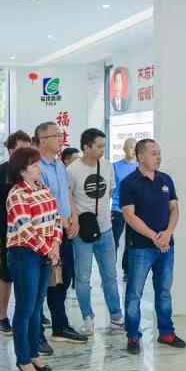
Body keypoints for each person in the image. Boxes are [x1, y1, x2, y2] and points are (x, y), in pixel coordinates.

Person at [119, 139, 186, 354]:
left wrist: (167, 234)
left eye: (159, 153)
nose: (158, 157)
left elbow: (174, 209)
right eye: (153, 153)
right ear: (140, 157)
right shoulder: (129, 183)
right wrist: (153, 236)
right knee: (134, 294)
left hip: (166, 247)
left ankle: (166, 333)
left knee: (164, 292)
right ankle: (133, 336)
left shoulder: (166, 180)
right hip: (140, 247)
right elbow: (129, 215)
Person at [5, 147, 62, 371]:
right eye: (35, 165)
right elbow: (25, 228)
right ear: (22, 171)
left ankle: (33, 353)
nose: (39, 168)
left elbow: (56, 219)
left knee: (37, 306)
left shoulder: (42, 188)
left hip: (45, 252)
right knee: (25, 307)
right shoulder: (17, 194)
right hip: (24, 253)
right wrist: (48, 250)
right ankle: (23, 359)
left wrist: (56, 244)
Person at [34, 122, 87, 346]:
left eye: (60, 134)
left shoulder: (59, 166)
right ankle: (36, 332)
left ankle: (60, 326)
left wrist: (74, 217)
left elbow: (67, 195)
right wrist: (63, 222)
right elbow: (41, 202)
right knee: (40, 285)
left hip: (63, 233)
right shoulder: (35, 167)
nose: (60, 138)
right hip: (44, 234)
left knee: (62, 280)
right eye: (56, 135)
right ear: (43, 140)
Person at [67, 128, 124, 336]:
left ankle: (116, 317)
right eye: (98, 146)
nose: (102, 150)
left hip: (106, 229)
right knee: (83, 277)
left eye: (103, 146)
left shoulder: (107, 166)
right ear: (86, 147)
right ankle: (87, 318)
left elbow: (109, 192)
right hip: (82, 231)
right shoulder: (72, 170)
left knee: (110, 275)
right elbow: (68, 197)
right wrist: (76, 218)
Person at [0, 130, 32, 336]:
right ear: (11, 151)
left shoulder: (33, 172)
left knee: (30, 275)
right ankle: (2, 317)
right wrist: (1, 217)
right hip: (6, 233)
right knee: (5, 275)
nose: (26, 153)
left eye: (28, 148)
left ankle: (31, 313)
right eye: (21, 148)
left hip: (31, 234)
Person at [111, 137, 138, 281]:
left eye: (135, 147)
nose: (133, 150)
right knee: (114, 241)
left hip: (136, 211)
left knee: (130, 241)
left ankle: (127, 270)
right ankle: (110, 272)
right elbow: (110, 188)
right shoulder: (115, 166)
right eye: (131, 147)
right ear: (124, 149)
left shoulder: (140, 167)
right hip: (118, 209)